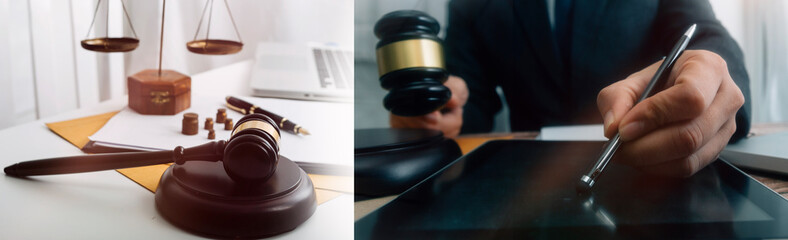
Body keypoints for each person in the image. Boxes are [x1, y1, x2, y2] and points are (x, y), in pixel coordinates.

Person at [390, 0, 750, 177]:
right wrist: (442, 112)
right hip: (518, 184)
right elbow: (472, 97)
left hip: (643, 170)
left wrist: (712, 76)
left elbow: (705, 35)